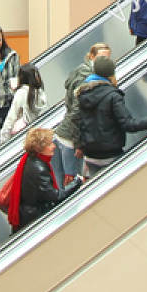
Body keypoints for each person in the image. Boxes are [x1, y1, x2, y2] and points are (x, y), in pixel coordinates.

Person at [75, 54, 147, 177]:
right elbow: (129, 124)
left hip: (90, 155)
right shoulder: (112, 96)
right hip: (110, 154)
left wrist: (79, 145)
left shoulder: (84, 94)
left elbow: (79, 122)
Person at [4, 126, 80, 234]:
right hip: (35, 219)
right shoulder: (39, 170)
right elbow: (55, 196)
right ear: (40, 148)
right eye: (49, 144)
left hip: (26, 215)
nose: (54, 146)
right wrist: (77, 182)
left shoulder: (29, 160)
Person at [54, 44, 106, 186]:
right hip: (71, 139)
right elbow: (78, 113)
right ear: (92, 56)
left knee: (64, 182)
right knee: (72, 184)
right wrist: (79, 144)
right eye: (102, 57)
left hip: (64, 134)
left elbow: (70, 103)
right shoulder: (88, 79)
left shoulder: (79, 70)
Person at [0, 62, 46, 141]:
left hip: (22, 135)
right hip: (36, 132)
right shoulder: (40, 92)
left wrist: (3, 139)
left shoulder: (21, 93)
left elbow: (11, 117)